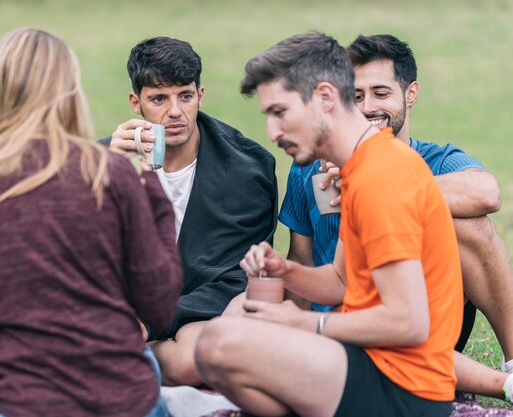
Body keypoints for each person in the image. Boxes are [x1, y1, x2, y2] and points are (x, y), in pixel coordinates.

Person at [195, 30, 505, 417]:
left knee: (218, 346)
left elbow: (408, 322)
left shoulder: (381, 178)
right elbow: (341, 281)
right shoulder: (360, 167)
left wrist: (305, 323)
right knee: (226, 335)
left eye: (280, 113)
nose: (272, 133)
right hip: (374, 363)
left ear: (324, 98)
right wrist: (286, 270)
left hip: (405, 390)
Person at [0, 28, 181, 417]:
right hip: (131, 402)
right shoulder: (112, 174)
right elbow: (160, 309)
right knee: (147, 362)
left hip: (24, 405)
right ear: (71, 93)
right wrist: (152, 183)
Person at [280, 34, 513, 368]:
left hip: (423, 314)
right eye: (355, 95)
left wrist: (377, 181)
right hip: (341, 320)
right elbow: (300, 260)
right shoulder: (310, 167)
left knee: (472, 226)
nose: (367, 107)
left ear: (411, 93)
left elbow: (487, 193)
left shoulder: (435, 159)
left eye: (381, 93)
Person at [103, 36, 278, 386]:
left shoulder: (248, 170)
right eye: (158, 99)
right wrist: (107, 174)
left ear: (200, 95)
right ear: (136, 103)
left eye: (184, 96)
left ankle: (107, 359)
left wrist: (147, 323)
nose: (174, 112)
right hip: (123, 306)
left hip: (199, 310)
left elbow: (234, 278)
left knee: (190, 361)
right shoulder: (103, 160)